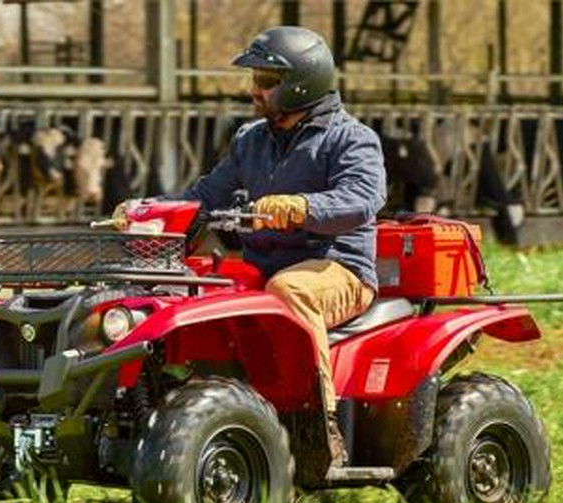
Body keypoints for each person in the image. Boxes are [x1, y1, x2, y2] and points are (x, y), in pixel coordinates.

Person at [125, 26, 387, 469]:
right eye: (255, 81)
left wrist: (302, 207)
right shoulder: (251, 140)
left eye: (266, 82)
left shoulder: (352, 138)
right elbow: (206, 197)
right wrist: (146, 211)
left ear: (301, 83)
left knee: (289, 292)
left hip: (337, 269)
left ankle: (318, 431)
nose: (255, 91)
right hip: (261, 271)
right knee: (194, 292)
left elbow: (363, 199)